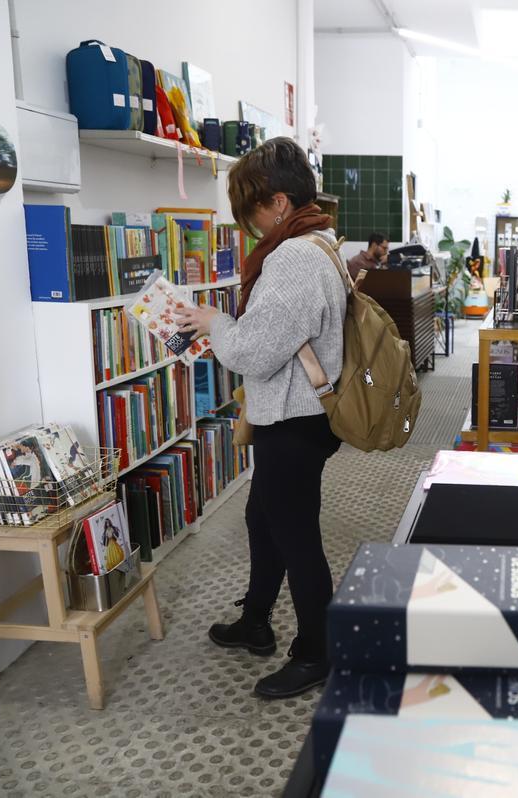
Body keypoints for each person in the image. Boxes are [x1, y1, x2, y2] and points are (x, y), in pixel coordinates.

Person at [175, 137, 347, 699]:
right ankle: (255, 620)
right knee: (263, 518)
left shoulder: (294, 257)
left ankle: (315, 653)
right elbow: (274, 334)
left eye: (250, 210)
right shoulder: (318, 241)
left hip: (294, 421)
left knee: (296, 536)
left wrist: (211, 323)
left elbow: (254, 351)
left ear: (277, 203)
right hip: (298, 415)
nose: (248, 225)